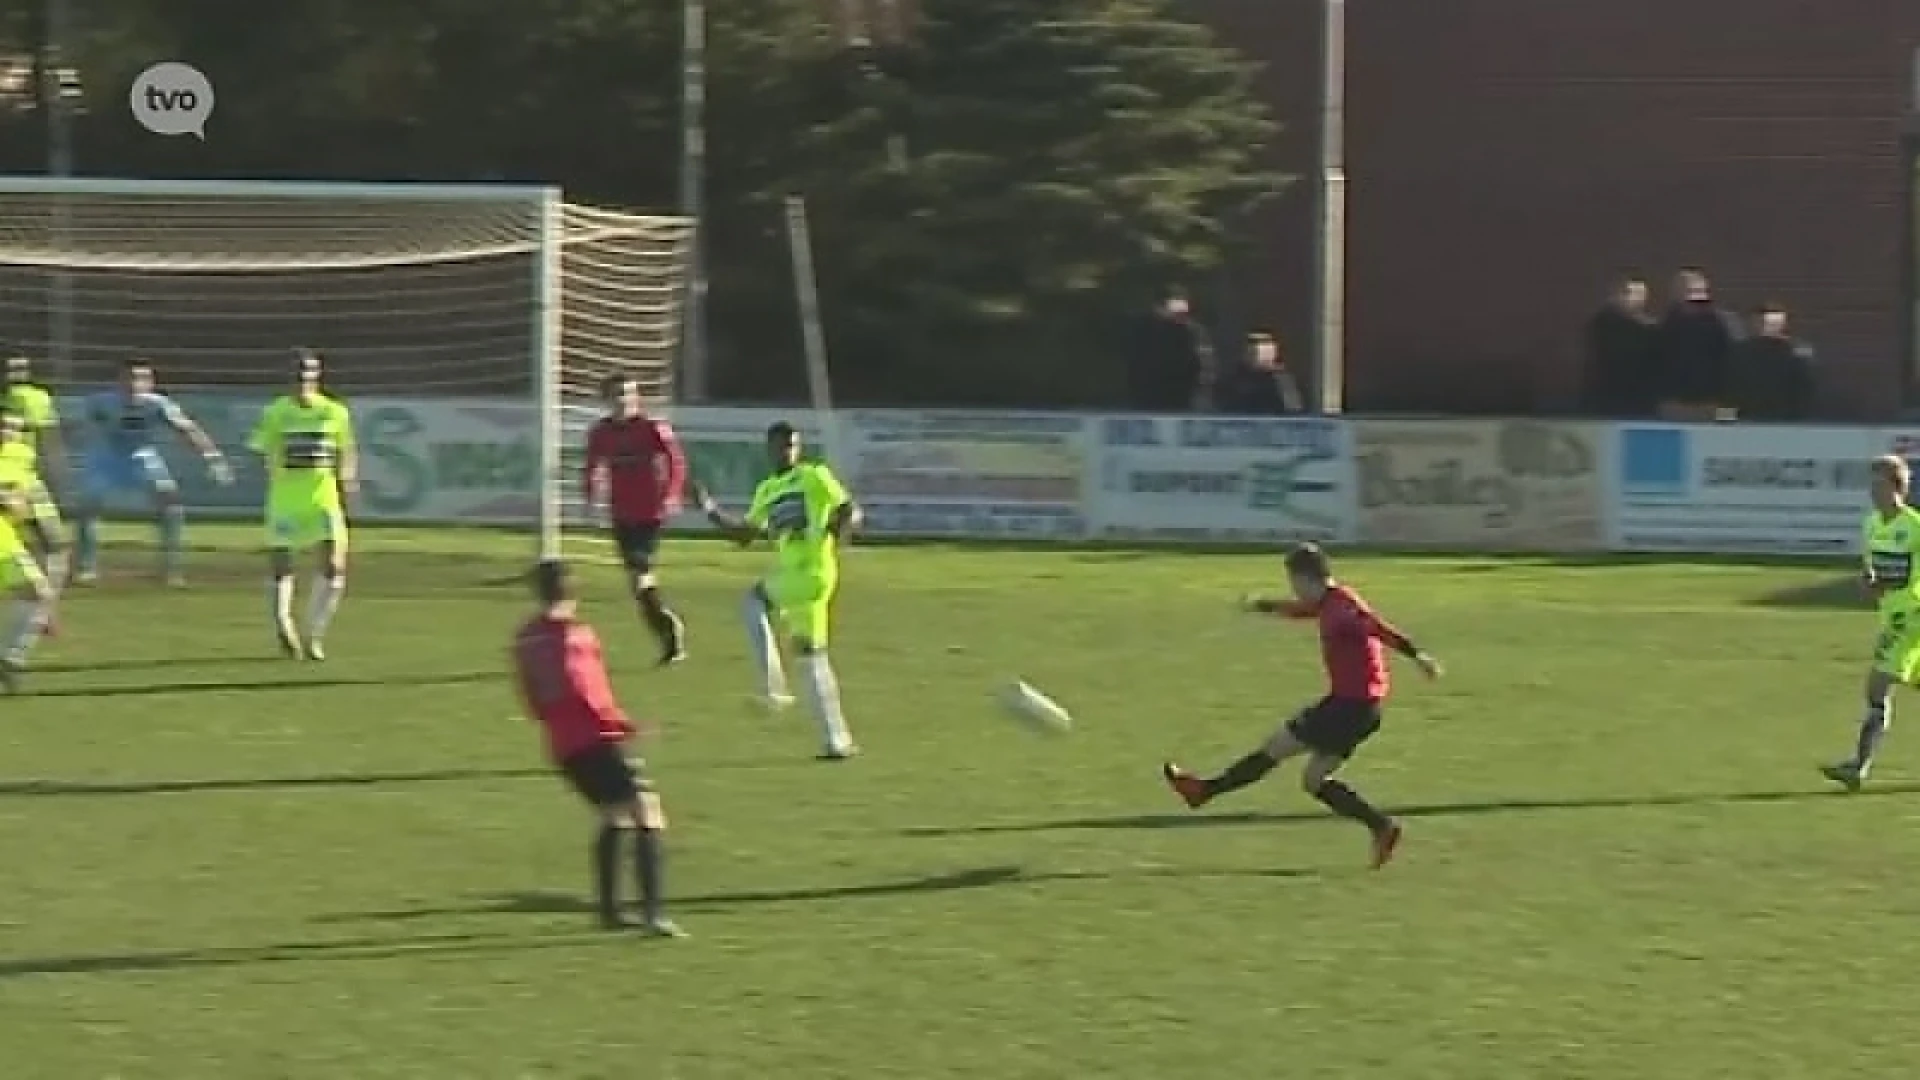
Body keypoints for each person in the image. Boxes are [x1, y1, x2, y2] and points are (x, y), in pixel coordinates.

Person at [1161, 543, 1442, 867]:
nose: (1294, 589)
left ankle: (1203, 791)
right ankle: (1382, 827)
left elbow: (1378, 628)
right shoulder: (1328, 604)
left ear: (1309, 578)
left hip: (1348, 706)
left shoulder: (1342, 608)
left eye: (1294, 582)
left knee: (1276, 747)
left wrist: (1417, 656)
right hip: (1364, 710)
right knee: (1314, 780)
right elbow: (1301, 611)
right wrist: (1264, 605)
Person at [512, 559, 683, 936]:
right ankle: (654, 914)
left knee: (613, 813)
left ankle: (609, 912)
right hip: (596, 738)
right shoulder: (577, 636)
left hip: (562, 745)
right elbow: (586, 690)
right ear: (574, 592)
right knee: (646, 810)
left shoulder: (524, 638)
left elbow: (532, 700)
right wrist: (625, 726)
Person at [696, 422, 862, 760]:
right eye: (782, 445)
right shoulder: (767, 490)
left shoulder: (814, 476)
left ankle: (772, 689)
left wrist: (839, 529)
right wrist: (709, 510)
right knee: (811, 656)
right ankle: (837, 741)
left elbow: (849, 508)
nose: (788, 451)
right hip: (796, 577)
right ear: (769, 448)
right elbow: (744, 536)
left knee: (753, 600)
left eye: (793, 445)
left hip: (813, 571)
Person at [73, 359, 232, 585]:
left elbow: (188, 429)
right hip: (107, 457)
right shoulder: (100, 403)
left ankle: (171, 569)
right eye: (129, 378)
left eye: (141, 378)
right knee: (89, 505)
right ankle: (85, 567)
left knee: (171, 503)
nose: (134, 384)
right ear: (119, 381)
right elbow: (79, 427)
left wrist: (213, 458)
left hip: (143, 456)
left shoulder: (158, 405)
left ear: (151, 382)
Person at [248, 349, 356, 660]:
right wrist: (273, 474)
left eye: (309, 371)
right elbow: (260, 448)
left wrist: (347, 479)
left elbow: (346, 448)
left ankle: (314, 634)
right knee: (282, 565)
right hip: (286, 500)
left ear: (317, 375)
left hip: (322, 496)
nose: (303, 377)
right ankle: (283, 622)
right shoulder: (275, 412)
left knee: (334, 565)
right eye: (297, 371)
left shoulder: (334, 411)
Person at [1826, 455, 1920, 790]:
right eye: (1871, 485)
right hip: (1891, 615)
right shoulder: (1871, 524)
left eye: (1880, 485)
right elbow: (1873, 571)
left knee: (1877, 686)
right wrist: (1868, 582)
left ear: (1898, 488)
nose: (1873, 492)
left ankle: (1858, 767)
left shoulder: (1915, 527)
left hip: (1912, 619)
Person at [582, 374, 688, 665]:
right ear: (606, 399)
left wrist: (672, 495)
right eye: (617, 394)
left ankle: (669, 628)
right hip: (621, 514)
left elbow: (676, 460)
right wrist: (590, 497)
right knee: (638, 584)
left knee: (639, 576)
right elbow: (592, 466)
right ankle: (669, 633)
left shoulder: (652, 428)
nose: (623, 400)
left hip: (650, 513)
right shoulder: (600, 433)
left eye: (627, 394)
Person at [0, 357, 71, 587]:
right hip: (12, 480)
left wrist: (55, 470)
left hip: (24, 478)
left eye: (21, 369)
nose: (17, 374)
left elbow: (48, 439)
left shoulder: (35, 398)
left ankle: (43, 605)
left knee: (55, 543)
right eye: (12, 369)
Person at [0, 438, 57, 690]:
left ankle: (8, 658)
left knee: (38, 593)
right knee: (37, 593)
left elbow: (21, 510)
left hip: (5, 540)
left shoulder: (20, 458)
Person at [1580, 277, 1658, 417]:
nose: (1637, 299)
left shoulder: (1650, 329)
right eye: (1630, 293)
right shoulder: (1602, 324)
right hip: (1607, 395)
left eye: (1641, 295)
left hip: (1641, 398)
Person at [1727, 305, 1815, 421]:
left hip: (1782, 418)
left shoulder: (1797, 351)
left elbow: (1805, 388)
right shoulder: (1739, 352)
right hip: (1750, 418)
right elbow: (1729, 388)